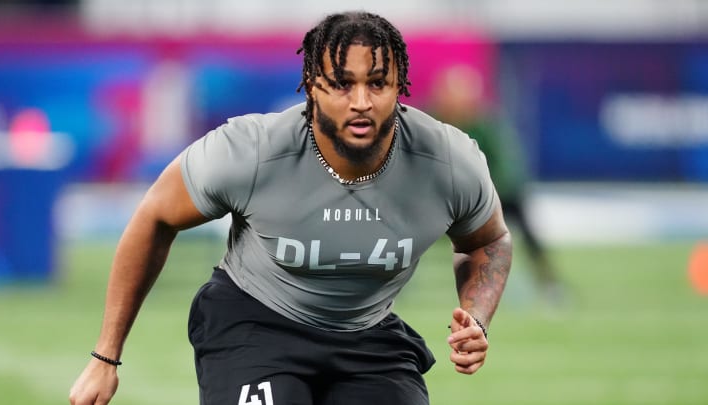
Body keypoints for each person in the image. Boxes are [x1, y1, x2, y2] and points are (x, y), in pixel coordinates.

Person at [69, 11, 512, 405]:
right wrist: (106, 356)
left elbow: (488, 240)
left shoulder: (448, 161)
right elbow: (156, 217)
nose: (361, 102)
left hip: (367, 334)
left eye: (377, 83)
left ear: (400, 88)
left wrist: (476, 316)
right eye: (341, 83)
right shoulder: (251, 151)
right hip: (255, 323)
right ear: (311, 88)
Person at [429, 64, 561, 300]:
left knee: (521, 216)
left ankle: (549, 282)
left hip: (483, 198)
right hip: (440, 198)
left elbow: (507, 171)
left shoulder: (486, 126)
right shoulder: (427, 123)